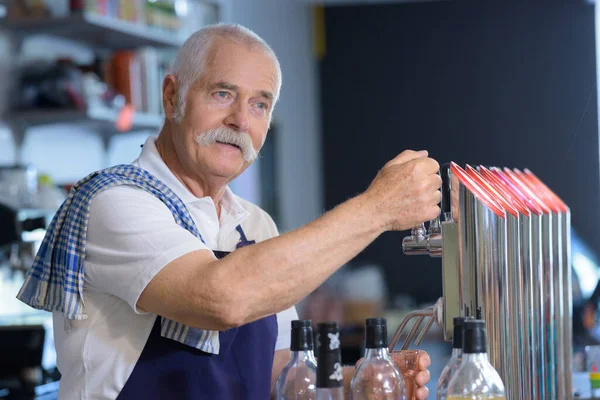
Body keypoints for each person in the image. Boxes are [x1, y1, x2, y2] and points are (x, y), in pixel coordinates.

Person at [17, 23, 441, 399]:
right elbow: (221, 298)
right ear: (172, 97)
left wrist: (354, 381)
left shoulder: (254, 224)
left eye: (260, 104)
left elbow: (280, 373)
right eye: (223, 94)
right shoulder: (113, 201)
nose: (241, 120)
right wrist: (379, 208)